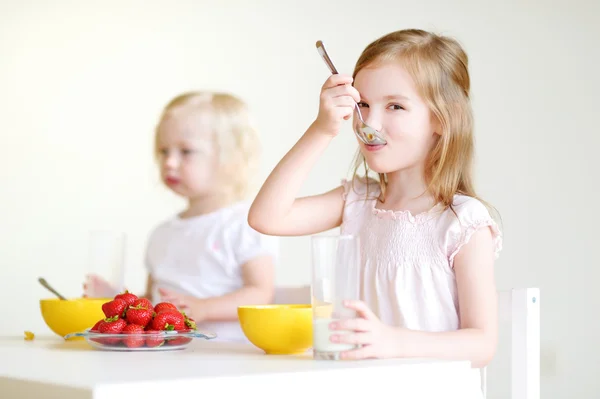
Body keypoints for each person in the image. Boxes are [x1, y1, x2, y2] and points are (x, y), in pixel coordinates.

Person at [248, 29, 502, 370]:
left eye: (395, 106)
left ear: (442, 120)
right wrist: (322, 129)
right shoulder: (357, 201)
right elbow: (266, 217)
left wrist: (391, 341)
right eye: (362, 104)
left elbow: (482, 344)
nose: (370, 122)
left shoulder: (463, 222)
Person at [86, 91, 278, 342]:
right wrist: (116, 297)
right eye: (164, 151)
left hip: (225, 359)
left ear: (231, 158)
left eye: (185, 151)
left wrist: (204, 308)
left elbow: (260, 293)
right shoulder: (162, 234)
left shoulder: (246, 223)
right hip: (167, 356)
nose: (169, 162)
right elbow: (154, 302)